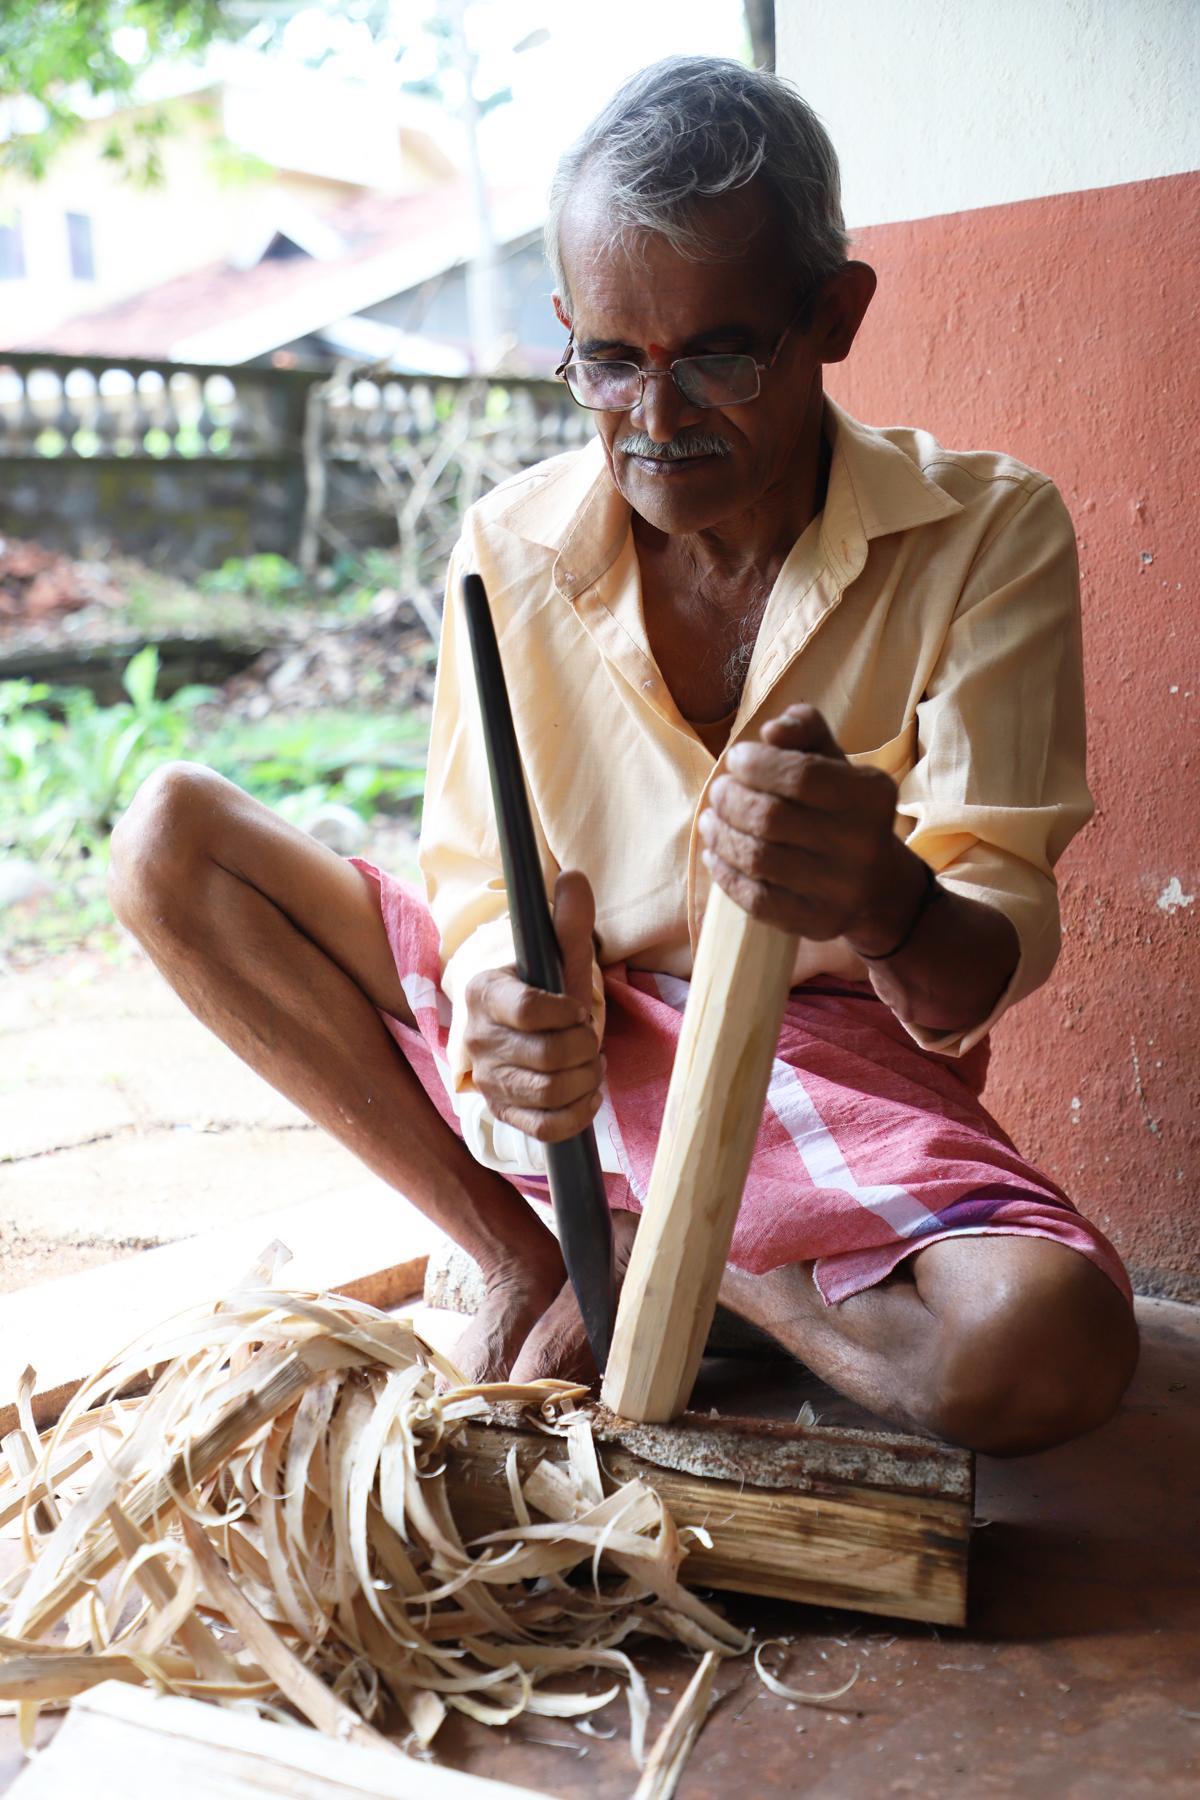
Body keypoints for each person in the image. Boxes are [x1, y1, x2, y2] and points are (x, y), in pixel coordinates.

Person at [108, 56, 1137, 1456]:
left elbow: (968, 978)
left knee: (1040, 1351)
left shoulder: (986, 534)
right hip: (590, 1029)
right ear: (567, 335)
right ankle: (530, 1250)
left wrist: (882, 897)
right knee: (171, 836)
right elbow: (481, 889)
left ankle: (682, 1251)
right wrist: (500, 1010)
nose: (656, 418)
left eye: (718, 353)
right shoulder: (511, 545)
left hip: (822, 1068)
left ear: (835, 316)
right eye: (608, 358)